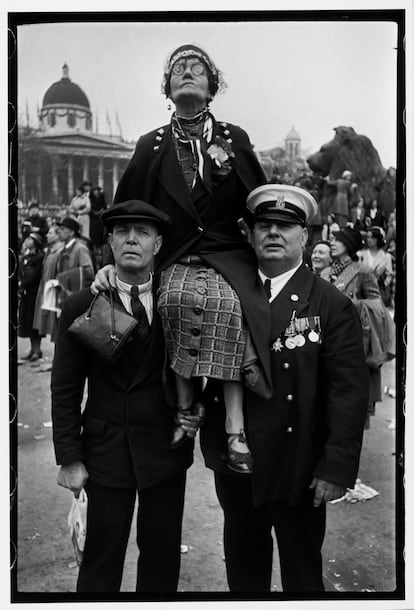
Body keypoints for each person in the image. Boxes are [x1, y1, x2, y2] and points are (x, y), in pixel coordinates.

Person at [95, 43, 270, 474]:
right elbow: (126, 211)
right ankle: (185, 410)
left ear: (212, 87)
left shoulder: (234, 138)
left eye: (197, 69)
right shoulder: (150, 145)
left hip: (229, 254)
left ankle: (235, 428)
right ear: (167, 89)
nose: (187, 73)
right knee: (171, 301)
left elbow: (260, 207)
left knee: (232, 306)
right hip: (174, 255)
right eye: (178, 70)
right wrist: (113, 264)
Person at [199, 184, 369, 592]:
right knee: (244, 571)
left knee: (303, 573)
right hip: (239, 466)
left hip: (301, 467)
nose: (273, 232)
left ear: (304, 236)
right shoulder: (226, 291)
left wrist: (335, 467)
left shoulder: (330, 304)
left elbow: (348, 393)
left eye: (285, 225)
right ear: (250, 233)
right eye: (265, 224)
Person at [51, 200, 202, 592]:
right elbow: (65, 387)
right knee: (101, 561)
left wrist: (194, 409)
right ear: (111, 243)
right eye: (122, 232)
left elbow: (204, 361)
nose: (132, 239)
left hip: (164, 451)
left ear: (158, 244)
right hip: (105, 451)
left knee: (161, 558)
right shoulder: (83, 305)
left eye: (143, 232)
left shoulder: (180, 301)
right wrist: (69, 457)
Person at [321, 226, 390, 429]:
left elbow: (378, 307)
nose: (332, 243)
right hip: (326, 341)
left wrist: (357, 304)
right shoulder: (326, 272)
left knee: (352, 408)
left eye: (337, 240)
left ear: (349, 245)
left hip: (354, 341)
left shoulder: (362, 271)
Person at [32, 224, 64, 346]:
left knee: (57, 326)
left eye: (50, 233)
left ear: (57, 235)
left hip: (55, 292)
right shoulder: (49, 251)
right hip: (45, 289)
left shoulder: (61, 252)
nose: (47, 235)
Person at [55, 217, 95, 309]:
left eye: (62, 229)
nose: (59, 231)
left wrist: (67, 276)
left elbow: (89, 272)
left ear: (72, 232)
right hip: (64, 296)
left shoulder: (80, 248)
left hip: (76, 298)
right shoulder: (63, 250)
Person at [18, 233, 45, 362]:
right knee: (27, 323)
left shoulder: (39, 257)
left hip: (34, 294)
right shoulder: (26, 256)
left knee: (34, 324)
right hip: (26, 293)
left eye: (30, 239)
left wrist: (22, 282)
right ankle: (32, 349)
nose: (26, 241)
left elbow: (33, 275)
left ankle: (37, 350)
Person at [360, 226, 393, 307]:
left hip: (379, 291)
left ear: (378, 238)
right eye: (368, 237)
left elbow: (389, 275)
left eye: (372, 237)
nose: (369, 240)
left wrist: (383, 285)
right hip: (363, 291)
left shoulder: (386, 256)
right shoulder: (361, 254)